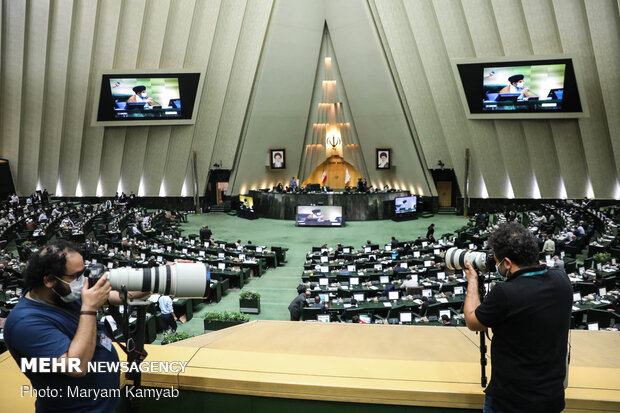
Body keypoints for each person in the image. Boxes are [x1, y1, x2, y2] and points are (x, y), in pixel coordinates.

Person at [2, 240, 145, 412]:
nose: (83, 281)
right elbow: (75, 366)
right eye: (76, 276)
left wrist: (163, 279)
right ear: (48, 280)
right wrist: (89, 308)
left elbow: (122, 296)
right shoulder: (24, 323)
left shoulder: (64, 293)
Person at [463, 222, 572, 413]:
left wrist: (472, 280)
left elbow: (473, 322)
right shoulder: (562, 280)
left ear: (507, 263)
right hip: (551, 398)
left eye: (497, 262)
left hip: (511, 403)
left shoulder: (505, 293)